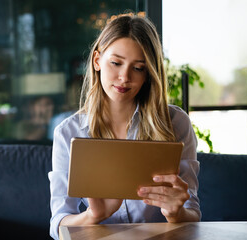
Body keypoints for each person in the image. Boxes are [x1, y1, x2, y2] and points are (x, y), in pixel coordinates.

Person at [48, 14, 200, 240]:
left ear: (148, 73)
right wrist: (92, 216)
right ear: (97, 61)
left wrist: (176, 212)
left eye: (138, 68)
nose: (124, 77)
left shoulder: (176, 123)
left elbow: (194, 215)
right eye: (116, 63)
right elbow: (58, 224)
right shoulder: (68, 132)